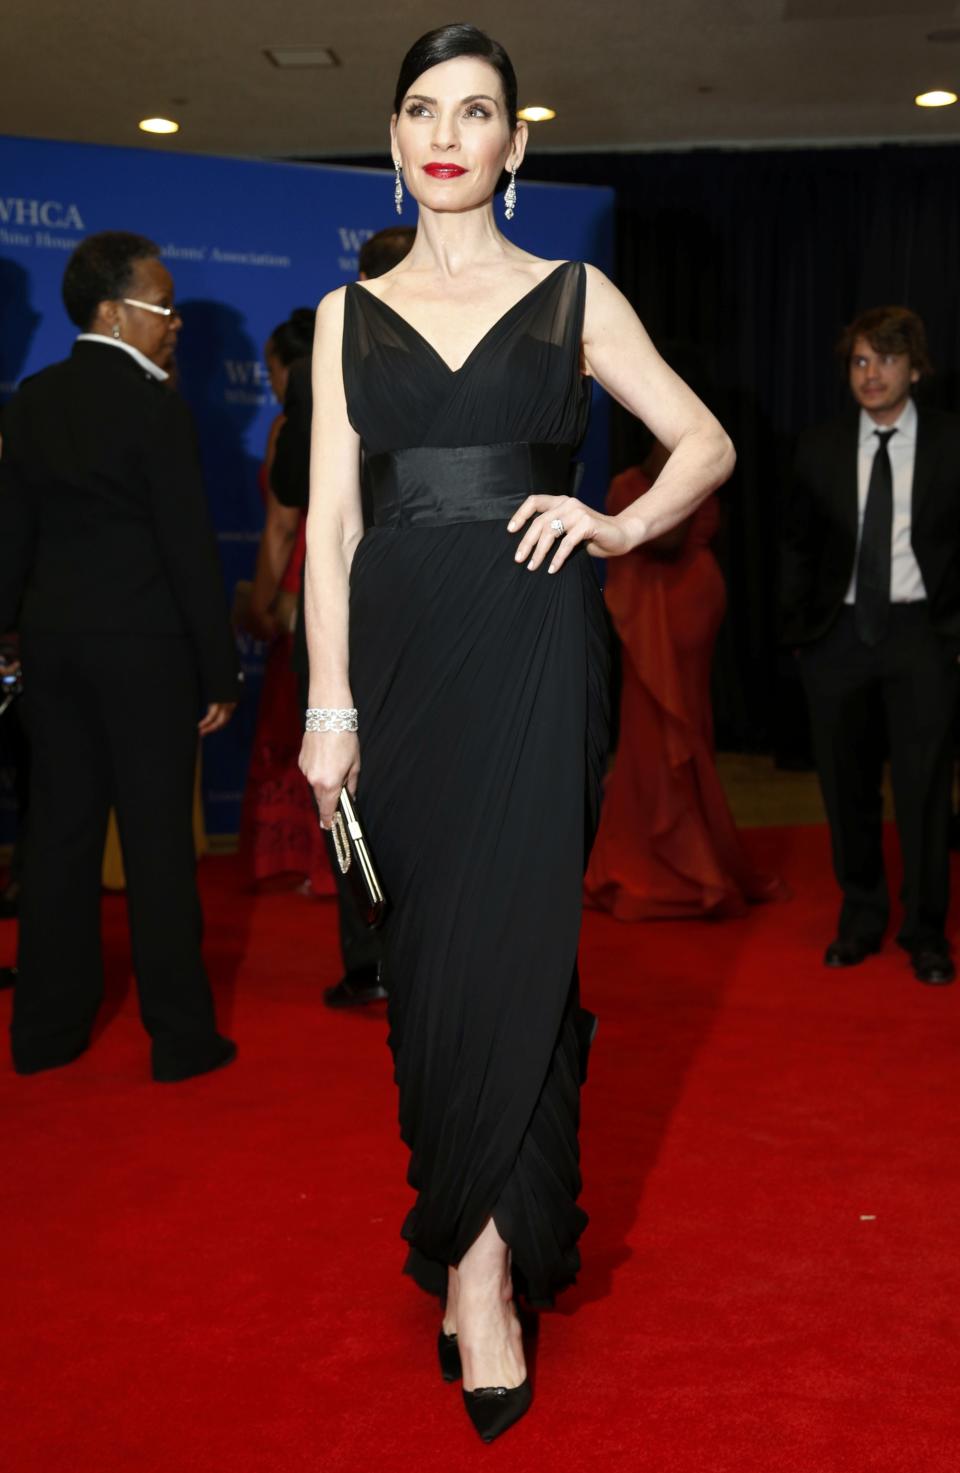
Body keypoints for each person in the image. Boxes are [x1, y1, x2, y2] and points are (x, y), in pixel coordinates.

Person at [297, 24, 734, 1441]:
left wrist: (617, 519)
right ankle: (460, 1214)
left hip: (541, 647)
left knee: (522, 940)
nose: (445, 133)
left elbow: (706, 441)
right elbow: (335, 529)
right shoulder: (342, 317)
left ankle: (484, 1273)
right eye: (422, 108)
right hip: (406, 656)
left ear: (515, 145)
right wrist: (328, 703)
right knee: (426, 955)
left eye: (474, 112)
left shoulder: (573, 297)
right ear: (396, 136)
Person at [0, 230, 240, 1079]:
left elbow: (11, 538)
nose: (174, 323)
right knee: (156, 847)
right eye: (162, 306)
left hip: (54, 654)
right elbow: (188, 551)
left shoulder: (31, 399)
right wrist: (220, 671)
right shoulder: (156, 408)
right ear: (114, 312)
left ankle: (43, 1035)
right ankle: (180, 1039)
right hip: (147, 658)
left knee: (57, 840)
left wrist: (6, 637)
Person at [781, 306, 960, 985]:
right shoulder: (819, 445)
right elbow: (795, 545)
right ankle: (860, 917)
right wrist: (802, 633)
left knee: (923, 795)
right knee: (845, 790)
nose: (871, 373)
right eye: (859, 361)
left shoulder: (950, 442)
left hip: (923, 637)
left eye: (885, 359)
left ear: (915, 368)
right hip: (839, 639)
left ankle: (925, 931)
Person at [272, 225, 415, 1009]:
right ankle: (412, 950)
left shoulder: (325, 360)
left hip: (346, 606)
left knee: (345, 789)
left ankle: (371, 958)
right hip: (415, 604)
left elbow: (296, 492)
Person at [585, 429, 784, 919]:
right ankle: (648, 860)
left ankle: (693, 866)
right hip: (643, 614)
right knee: (644, 732)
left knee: (685, 727)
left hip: (688, 609)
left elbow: (669, 539)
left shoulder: (697, 467)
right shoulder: (630, 482)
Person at [237, 308, 336, 899]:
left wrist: (262, 601)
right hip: (337, 581)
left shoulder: (288, 424)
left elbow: (280, 524)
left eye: (270, 367)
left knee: (297, 721)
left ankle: (306, 857)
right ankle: (326, 861)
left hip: (299, 586)